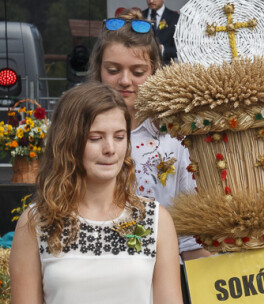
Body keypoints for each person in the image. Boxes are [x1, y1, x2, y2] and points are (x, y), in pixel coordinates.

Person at [9, 82, 182, 303]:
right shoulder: (36, 223)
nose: (110, 148)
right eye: (95, 138)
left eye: (119, 137)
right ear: (68, 142)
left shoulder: (155, 220)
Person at [88, 9, 210, 303]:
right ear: (98, 69)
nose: (125, 81)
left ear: (155, 70)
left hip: (162, 277)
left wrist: (214, 286)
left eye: (137, 71)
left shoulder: (176, 136)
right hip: (94, 270)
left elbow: (189, 231)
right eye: (113, 70)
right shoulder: (78, 130)